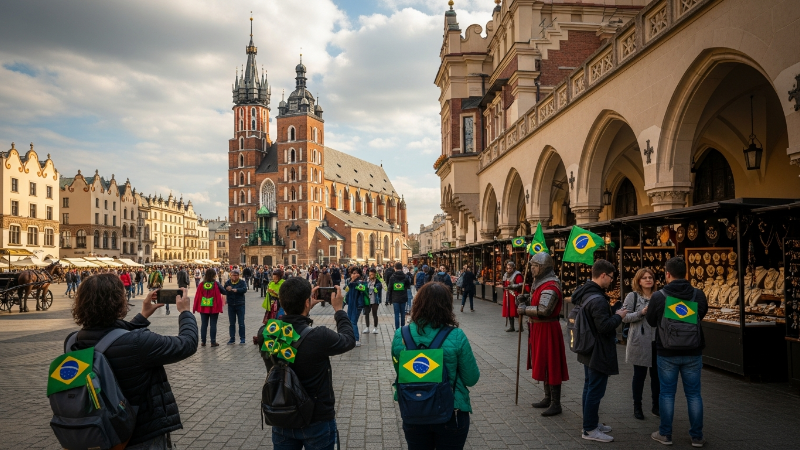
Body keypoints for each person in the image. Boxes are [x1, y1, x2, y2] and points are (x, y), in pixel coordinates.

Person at [66, 273, 197, 449]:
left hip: (98, 430)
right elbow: (187, 344)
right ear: (119, 302)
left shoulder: (73, 341)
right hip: (139, 434)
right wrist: (185, 312)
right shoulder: (139, 342)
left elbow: (112, 336)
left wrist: (142, 317)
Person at [256, 278, 354, 449]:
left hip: (282, 413)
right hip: (316, 419)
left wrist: (305, 307)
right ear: (307, 302)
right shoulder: (319, 337)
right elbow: (348, 340)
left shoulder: (267, 333)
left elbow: (289, 326)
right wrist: (339, 310)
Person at [391, 282, 480, 450]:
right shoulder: (456, 335)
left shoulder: (401, 335)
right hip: (451, 411)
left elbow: (400, 371)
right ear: (447, 306)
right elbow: (471, 378)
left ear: (418, 304)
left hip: (414, 410)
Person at [647, 257, 707, 448]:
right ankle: (697, 437)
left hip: (666, 351)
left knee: (666, 394)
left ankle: (665, 434)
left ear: (667, 274)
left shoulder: (659, 296)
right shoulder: (698, 294)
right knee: (694, 394)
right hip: (693, 350)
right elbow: (701, 316)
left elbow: (650, 321)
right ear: (686, 274)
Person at [571, 259, 626, 443]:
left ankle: (591, 422)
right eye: (611, 277)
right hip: (597, 349)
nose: (611, 281)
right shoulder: (598, 299)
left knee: (589, 387)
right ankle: (589, 429)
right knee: (595, 389)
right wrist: (618, 316)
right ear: (603, 275)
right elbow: (603, 326)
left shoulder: (586, 292)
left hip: (587, 347)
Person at [516, 252, 569, 416]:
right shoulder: (540, 284)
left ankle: (556, 403)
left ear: (544, 267)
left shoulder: (551, 286)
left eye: (535, 266)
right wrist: (526, 299)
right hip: (539, 328)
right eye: (531, 265)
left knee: (551, 364)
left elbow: (545, 310)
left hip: (548, 329)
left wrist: (525, 309)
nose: (532, 269)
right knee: (543, 362)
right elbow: (538, 303)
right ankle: (547, 397)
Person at [622, 268, 659, 420]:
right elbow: (624, 317)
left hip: (656, 341)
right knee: (639, 376)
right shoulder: (633, 296)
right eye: (644, 278)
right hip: (639, 341)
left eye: (650, 277)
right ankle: (637, 407)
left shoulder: (659, 296)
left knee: (657, 377)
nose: (648, 280)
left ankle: (656, 406)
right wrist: (641, 313)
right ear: (639, 281)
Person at [193, 268, 225, 347]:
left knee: (204, 324)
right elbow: (224, 291)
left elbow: (197, 296)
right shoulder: (216, 284)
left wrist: (195, 306)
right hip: (214, 307)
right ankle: (213, 342)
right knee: (213, 324)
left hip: (203, 307)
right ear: (214, 275)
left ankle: (203, 341)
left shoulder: (201, 284)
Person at [344, 267, 368, 347]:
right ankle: (350, 338)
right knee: (349, 321)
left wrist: (353, 281)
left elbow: (362, 289)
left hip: (357, 305)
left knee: (353, 322)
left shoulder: (360, 282)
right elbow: (346, 290)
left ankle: (356, 339)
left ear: (359, 274)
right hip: (351, 304)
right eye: (353, 273)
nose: (354, 275)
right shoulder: (349, 281)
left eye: (356, 273)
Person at [224, 269, 248, 345]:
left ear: (238, 276)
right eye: (233, 275)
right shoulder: (228, 282)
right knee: (231, 323)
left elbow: (244, 289)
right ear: (230, 275)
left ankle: (242, 339)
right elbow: (224, 290)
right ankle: (232, 338)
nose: (234, 277)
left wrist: (237, 290)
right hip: (231, 305)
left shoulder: (242, 282)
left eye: (236, 275)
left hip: (240, 304)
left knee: (241, 323)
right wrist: (226, 289)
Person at [387, 262, 410, 330]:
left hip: (395, 298)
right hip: (403, 297)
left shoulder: (392, 277)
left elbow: (389, 288)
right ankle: (403, 329)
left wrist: (389, 298)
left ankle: (397, 330)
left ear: (395, 268)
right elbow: (408, 286)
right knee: (403, 314)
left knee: (396, 314)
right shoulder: (405, 276)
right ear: (402, 268)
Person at [501, 261, 523, 332]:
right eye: (507, 268)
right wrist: (504, 287)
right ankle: (512, 327)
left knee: (516, 311)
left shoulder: (517, 275)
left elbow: (521, 285)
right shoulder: (505, 275)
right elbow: (504, 283)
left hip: (514, 294)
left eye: (510, 268)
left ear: (513, 268)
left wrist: (512, 286)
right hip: (507, 295)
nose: (508, 270)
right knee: (509, 311)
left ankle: (520, 327)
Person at [363, 268, 382, 334]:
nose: (371, 276)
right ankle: (367, 327)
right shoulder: (366, 280)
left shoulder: (377, 281)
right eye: (370, 274)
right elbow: (363, 286)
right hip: (367, 299)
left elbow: (379, 286)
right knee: (366, 313)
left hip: (375, 300)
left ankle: (375, 328)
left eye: (372, 274)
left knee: (374, 314)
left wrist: (376, 287)